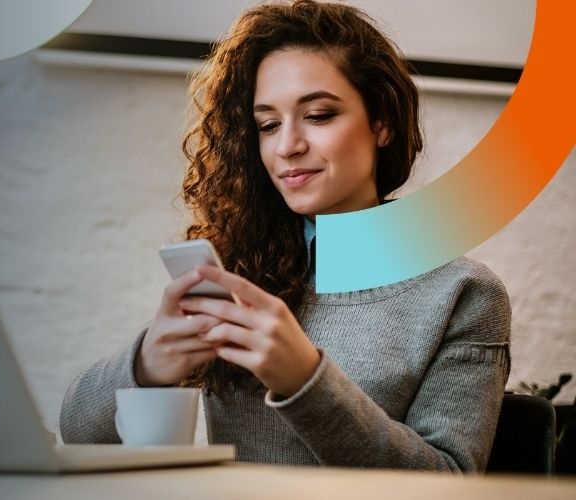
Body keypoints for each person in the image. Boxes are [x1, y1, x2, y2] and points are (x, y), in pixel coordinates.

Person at [59, 0, 511, 473]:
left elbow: (451, 483)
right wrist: (147, 365)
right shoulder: (245, 268)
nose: (287, 146)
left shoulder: (463, 294)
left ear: (382, 124)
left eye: (317, 115)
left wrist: (304, 380)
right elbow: (77, 431)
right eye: (267, 125)